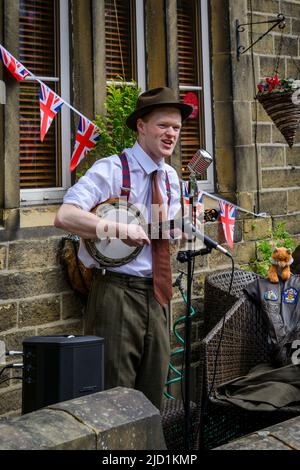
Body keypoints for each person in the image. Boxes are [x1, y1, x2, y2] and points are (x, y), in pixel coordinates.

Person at [54, 87, 193, 410]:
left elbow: (166, 230)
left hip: (158, 295)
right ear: (141, 126)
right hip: (116, 293)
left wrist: (182, 229)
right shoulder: (111, 170)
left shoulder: (171, 177)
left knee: (151, 398)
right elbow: (65, 216)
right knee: (114, 401)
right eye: (163, 125)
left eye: (176, 127)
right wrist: (115, 228)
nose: (171, 133)